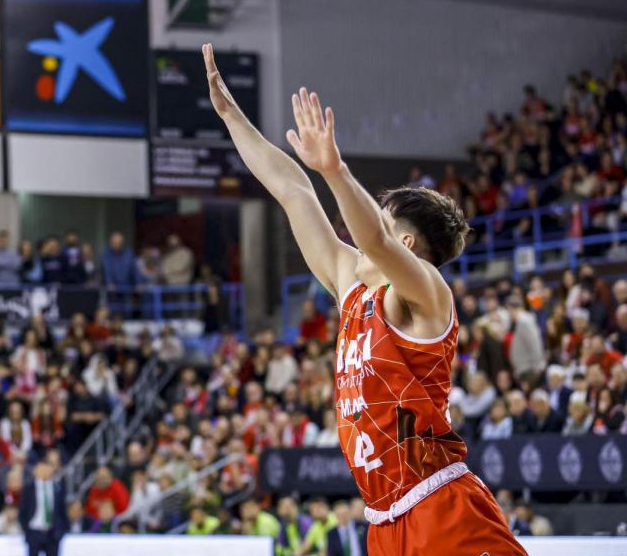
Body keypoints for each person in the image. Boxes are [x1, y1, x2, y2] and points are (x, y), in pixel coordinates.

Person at [205, 43, 525, 555]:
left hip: (440, 506)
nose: (363, 223)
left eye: (381, 213)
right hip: (384, 520)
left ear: (408, 244)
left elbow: (371, 238)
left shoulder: (425, 292)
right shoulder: (350, 286)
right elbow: (292, 190)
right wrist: (231, 117)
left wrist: (335, 171)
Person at [19, 458, 68, 556]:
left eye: (47, 468)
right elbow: (22, 512)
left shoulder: (58, 488)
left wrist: (60, 532)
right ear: (35, 470)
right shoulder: (28, 489)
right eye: (41, 468)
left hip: (53, 534)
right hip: (34, 532)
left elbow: (62, 512)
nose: (44, 471)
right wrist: (28, 533)